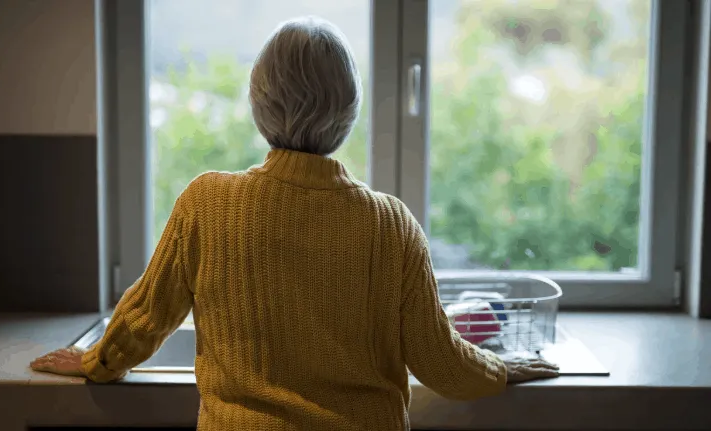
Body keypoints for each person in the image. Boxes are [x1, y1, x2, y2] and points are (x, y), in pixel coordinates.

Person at [31, 16, 558, 430]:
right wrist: (502, 370)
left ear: (259, 104)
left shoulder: (207, 202)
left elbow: (145, 318)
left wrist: (96, 361)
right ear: (349, 111)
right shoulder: (390, 225)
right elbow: (440, 362)